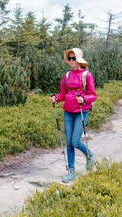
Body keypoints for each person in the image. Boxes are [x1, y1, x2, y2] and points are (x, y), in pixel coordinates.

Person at [49, 48, 97, 182]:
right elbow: (63, 94)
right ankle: (71, 171)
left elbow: (93, 95)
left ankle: (89, 155)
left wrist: (84, 99)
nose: (71, 61)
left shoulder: (87, 75)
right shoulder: (67, 75)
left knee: (76, 141)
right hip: (68, 111)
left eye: (73, 58)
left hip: (82, 110)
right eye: (69, 58)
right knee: (69, 143)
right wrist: (56, 99)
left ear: (79, 59)